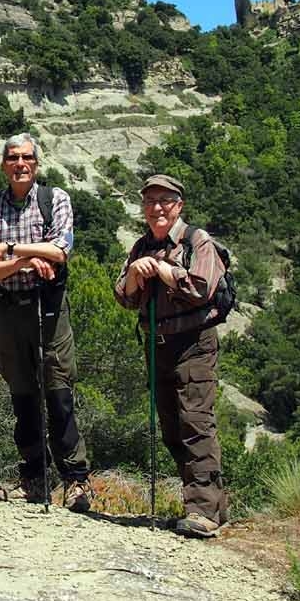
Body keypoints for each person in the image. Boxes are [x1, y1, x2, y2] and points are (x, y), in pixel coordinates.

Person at [0, 133, 92, 511]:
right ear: (3, 164)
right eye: (13, 158)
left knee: (58, 392)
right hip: (8, 309)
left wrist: (8, 250)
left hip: (49, 306)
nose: (20, 164)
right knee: (22, 394)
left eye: (27, 158)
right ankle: (34, 478)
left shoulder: (54, 200)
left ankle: (76, 480)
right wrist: (27, 260)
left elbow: (60, 250)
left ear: (36, 164)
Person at [113, 174, 230, 537]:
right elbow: (124, 297)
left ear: (179, 205)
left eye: (164, 201)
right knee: (172, 427)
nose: (156, 208)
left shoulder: (197, 241)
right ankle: (210, 506)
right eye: (150, 202)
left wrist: (166, 272)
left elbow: (201, 287)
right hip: (158, 344)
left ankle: (203, 511)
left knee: (195, 422)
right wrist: (134, 273)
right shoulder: (140, 247)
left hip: (193, 343)